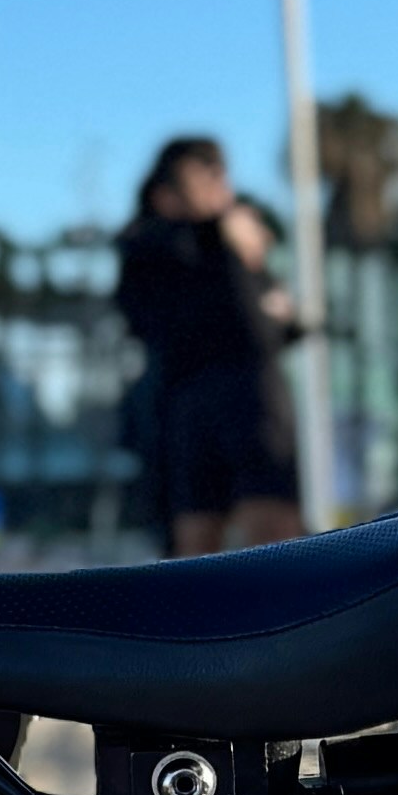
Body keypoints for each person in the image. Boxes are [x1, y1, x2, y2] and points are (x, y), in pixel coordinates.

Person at [115, 136, 304, 555]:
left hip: (255, 404)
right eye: (202, 175)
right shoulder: (155, 246)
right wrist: (221, 234)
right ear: (166, 194)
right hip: (189, 411)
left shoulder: (239, 240)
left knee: (275, 543)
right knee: (196, 549)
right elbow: (146, 314)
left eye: (219, 174)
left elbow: (277, 325)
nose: (218, 185)